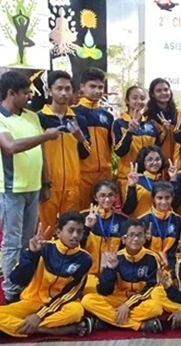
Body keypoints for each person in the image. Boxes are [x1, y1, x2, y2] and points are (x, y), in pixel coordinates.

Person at [0, 71, 63, 303]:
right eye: (26, 92)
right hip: (11, 189)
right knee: (12, 242)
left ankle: (26, 284)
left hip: (34, 187)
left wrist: (45, 182)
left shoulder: (31, 116)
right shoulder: (1, 117)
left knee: (29, 241)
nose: (30, 96)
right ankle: (10, 289)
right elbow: (11, 147)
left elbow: (41, 151)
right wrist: (45, 136)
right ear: (11, 93)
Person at [0, 212, 93, 337]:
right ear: (58, 232)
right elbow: (17, 279)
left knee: (76, 312)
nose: (75, 235)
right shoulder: (43, 248)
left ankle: (23, 327)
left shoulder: (85, 259)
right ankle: (50, 330)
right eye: (70, 231)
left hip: (61, 304)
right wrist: (32, 254)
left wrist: (39, 315)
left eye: (79, 231)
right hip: (32, 300)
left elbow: (70, 293)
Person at [81, 219, 164, 333]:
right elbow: (103, 291)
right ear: (124, 239)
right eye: (131, 235)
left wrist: (128, 305)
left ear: (145, 238)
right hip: (118, 299)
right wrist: (110, 269)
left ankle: (108, 321)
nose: (136, 239)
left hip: (140, 301)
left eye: (139, 235)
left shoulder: (152, 258)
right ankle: (139, 325)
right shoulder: (117, 257)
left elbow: (151, 287)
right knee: (88, 300)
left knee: (155, 307)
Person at [38, 71, 91, 239]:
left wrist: (80, 138)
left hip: (72, 187)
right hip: (49, 186)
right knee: (45, 232)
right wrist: (43, 183)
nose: (64, 93)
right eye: (59, 88)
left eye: (68, 89)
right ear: (49, 90)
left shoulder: (79, 119)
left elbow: (86, 154)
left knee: (71, 233)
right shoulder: (39, 118)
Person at [73, 68, 114, 209]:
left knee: (106, 214)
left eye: (100, 87)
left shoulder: (108, 116)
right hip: (82, 174)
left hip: (105, 173)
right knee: (83, 213)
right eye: (92, 86)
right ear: (82, 87)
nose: (97, 91)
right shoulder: (73, 113)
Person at [81, 180, 128, 295]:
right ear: (95, 197)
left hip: (112, 273)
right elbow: (76, 246)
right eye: (102, 195)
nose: (107, 199)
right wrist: (86, 228)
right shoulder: (84, 216)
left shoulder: (123, 220)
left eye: (110, 195)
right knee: (90, 294)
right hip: (89, 273)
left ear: (115, 197)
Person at [113, 85, 162, 196]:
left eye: (142, 98)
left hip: (149, 179)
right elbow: (119, 151)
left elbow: (157, 151)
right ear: (127, 100)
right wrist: (129, 132)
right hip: (127, 177)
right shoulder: (120, 123)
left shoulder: (151, 125)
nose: (139, 101)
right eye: (134, 98)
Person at [138, 182, 181, 277]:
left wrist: (172, 270)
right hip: (149, 266)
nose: (163, 202)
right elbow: (140, 249)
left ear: (172, 197)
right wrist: (147, 241)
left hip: (170, 266)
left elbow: (176, 248)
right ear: (153, 199)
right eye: (159, 198)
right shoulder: (144, 220)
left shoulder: (177, 220)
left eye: (167, 198)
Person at [146, 78, 178, 162]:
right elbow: (149, 145)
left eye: (166, 90)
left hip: (176, 160)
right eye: (159, 91)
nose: (163, 93)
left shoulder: (177, 114)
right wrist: (163, 132)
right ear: (152, 94)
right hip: (157, 162)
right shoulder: (147, 116)